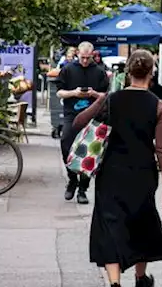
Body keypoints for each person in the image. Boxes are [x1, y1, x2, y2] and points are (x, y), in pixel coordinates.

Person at [73, 50, 162, 287]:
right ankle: (140, 279)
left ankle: (114, 283)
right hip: (142, 174)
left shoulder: (112, 100)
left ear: (128, 72)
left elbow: (78, 123)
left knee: (110, 226)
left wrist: (102, 99)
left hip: (111, 173)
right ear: (151, 74)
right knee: (141, 224)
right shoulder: (158, 107)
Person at [57, 41, 110, 203]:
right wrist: (74, 93)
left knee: (90, 152)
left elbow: (105, 96)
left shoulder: (100, 72)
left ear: (93, 55)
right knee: (66, 143)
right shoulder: (67, 69)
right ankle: (72, 179)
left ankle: (83, 188)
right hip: (71, 114)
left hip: (93, 116)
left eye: (88, 58)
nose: (85, 61)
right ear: (77, 54)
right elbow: (59, 92)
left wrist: (93, 94)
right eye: (82, 57)